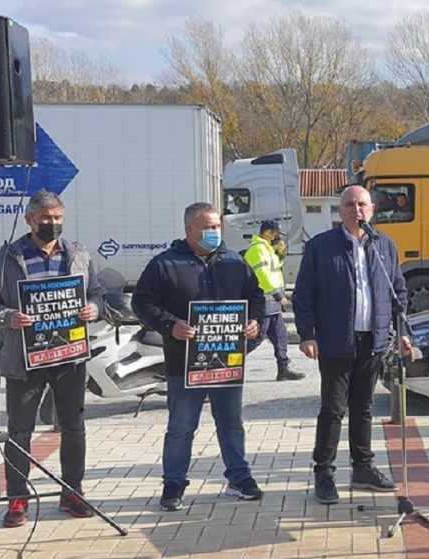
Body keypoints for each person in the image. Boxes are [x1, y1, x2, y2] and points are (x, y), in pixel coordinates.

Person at [0, 190, 104, 528]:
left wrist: (94, 308)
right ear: (30, 219)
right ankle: (18, 498)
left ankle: (72, 492)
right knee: (20, 431)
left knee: (73, 427)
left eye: (58, 218)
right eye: (46, 218)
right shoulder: (5, 259)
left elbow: (97, 293)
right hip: (23, 359)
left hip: (69, 357)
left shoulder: (78, 253)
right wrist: (7, 317)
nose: (52, 223)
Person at [132, 202, 266, 511]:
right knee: (181, 427)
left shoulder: (234, 262)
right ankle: (173, 485)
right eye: (207, 228)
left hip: (227, 362)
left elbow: (256, 296)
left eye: (217, 226)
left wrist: (254, 320)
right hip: (183, 364)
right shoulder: (164, 264)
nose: (214, 232)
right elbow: (142, 302)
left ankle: (239, 478)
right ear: (189, 230)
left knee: (231, 423)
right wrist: (170, 325)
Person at [293, 185, 412, 505]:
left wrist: (402, 331)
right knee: (333, 410)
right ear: (340, 210)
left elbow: (397, 291)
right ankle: (324, 472)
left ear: (372, 209)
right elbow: (303, 295)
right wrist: (307, 334)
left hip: (373, 341)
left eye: (362, 204)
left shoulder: (384, 245)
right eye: (349, 205)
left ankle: (363, 468)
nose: (356, 210)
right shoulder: (321, 246)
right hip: (335, 341)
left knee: (364, 408)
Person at [244, 220, 304, 381]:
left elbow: (274, 267)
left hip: (271, 301)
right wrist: (278, 295)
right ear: (267, 232)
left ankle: (284, 368)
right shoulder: (257, 249)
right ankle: (228, 361)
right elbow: (263, 274)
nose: (278, 237)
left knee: (280, 336)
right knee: (256, 337)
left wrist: (280, 253)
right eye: (276, 233)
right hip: (263, 299)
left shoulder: (266, 248)